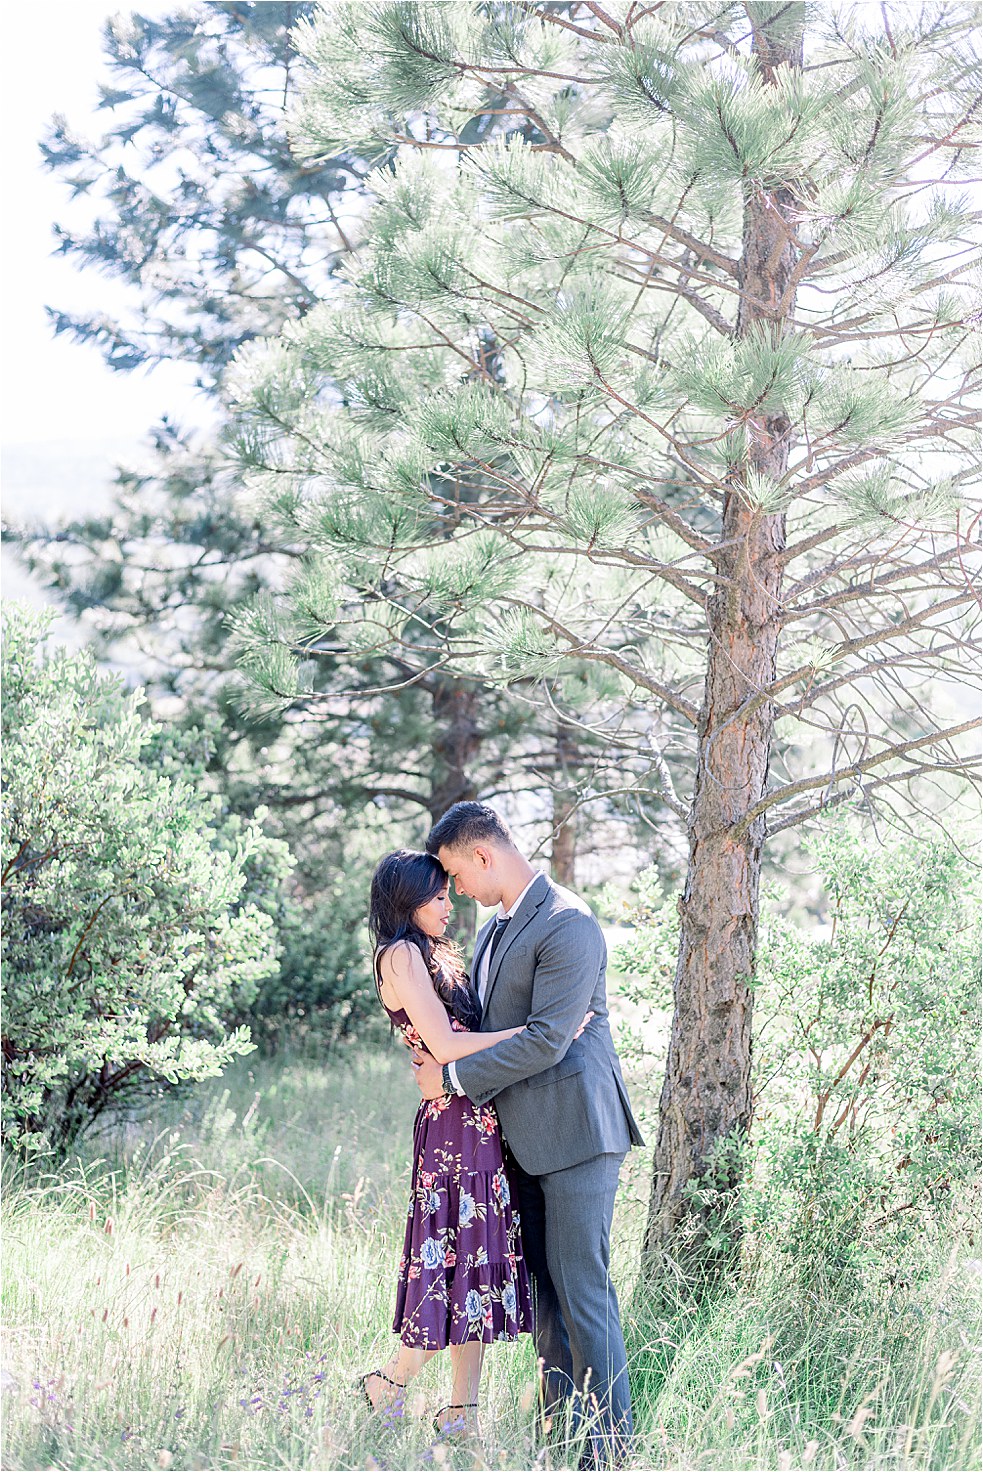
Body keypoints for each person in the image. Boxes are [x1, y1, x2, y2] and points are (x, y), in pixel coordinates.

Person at [412, 803, 644, 1468]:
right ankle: (557, 1443)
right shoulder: (491, 931)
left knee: (582, 1293)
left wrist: (451, 1081)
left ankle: (609, 1454)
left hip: (577, 1133)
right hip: (520, 1139)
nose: (455, 889)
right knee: (544, 1300)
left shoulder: (568, 922)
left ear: (482, 856)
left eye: (456, 873)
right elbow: (494, 1025)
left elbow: (548, 1039)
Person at [361, 847, 537, 1440]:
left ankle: (462, 1412)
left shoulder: (434, 952)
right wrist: (535, 1035)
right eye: (436, 895)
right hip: (452, 1129)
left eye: (447, 891)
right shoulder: (401, 954)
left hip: (477, 1116)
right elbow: (446, 1043)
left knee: (477, 1268)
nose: (448, 903)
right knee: (449, 1264)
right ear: (407, 903)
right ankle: (388, 1381)